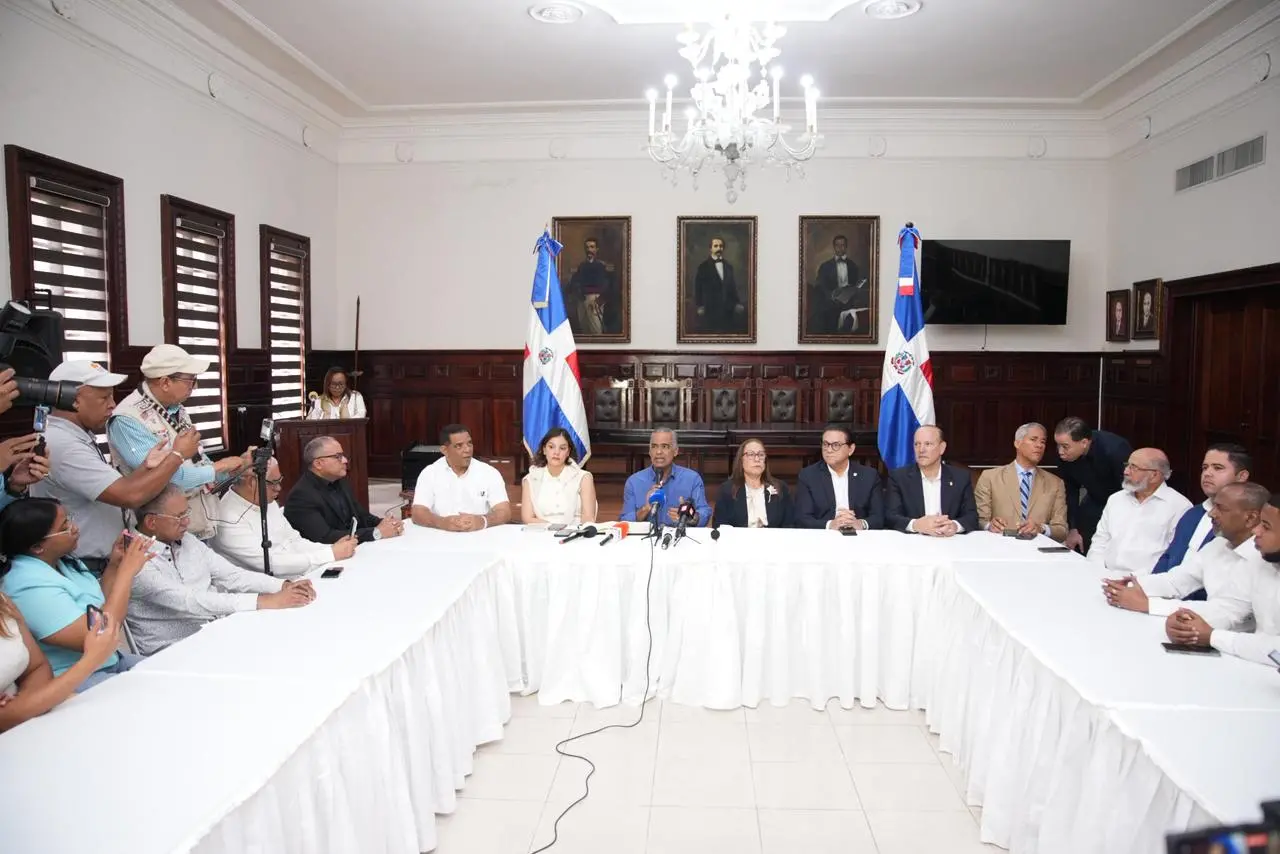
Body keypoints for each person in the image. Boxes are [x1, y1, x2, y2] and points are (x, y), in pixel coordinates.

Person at [32, 359, 201, 574]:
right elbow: (130, 496)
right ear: (74, 400)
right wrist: (177, 456)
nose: (112, 404)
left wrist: (146, 467)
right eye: (104, 398)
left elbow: (116, 487)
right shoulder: (64, 444)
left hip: (100, 562)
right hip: (85, 565)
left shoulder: (76, 436)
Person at [127, 486, 314, 654]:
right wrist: (264, 601)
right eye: (179, 517)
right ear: (151, 522)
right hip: (173, 651)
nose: (187, 521)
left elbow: (232, 575)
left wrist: (283, 586)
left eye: (187, 513)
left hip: (216, 633)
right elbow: (189, 601)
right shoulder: (134, 559)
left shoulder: (187, 540)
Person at [107, 344, 256, 540]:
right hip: (159, 529)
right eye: (191, 380)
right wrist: (218, 467)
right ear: (165, 382)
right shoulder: (128, 419)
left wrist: (233, 469)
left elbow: (196, 461)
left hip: (194, 518)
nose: (194, 387)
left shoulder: (176, 409)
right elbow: (164, 477)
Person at [0, 498, 151, 690]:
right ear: (37, 547)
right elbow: (100, 633)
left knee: (172, 674)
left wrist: (115, 566)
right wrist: (126, 573)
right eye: (65, 527)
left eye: (70, 519)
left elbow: (100, 608)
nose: (75, 528)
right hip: (72, 678)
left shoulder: (62, 561)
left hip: (109, 661)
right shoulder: (24, 585)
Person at [1103, 483, 1267, 627]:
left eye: (1221, 508)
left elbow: (1228, 615)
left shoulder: (1262, 558)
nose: (1211, 514)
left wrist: (1148, 604)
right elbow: (1178, 580)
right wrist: (1133, 586)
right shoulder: (1218, 544)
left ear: (1250, 518)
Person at [1163, 491, 1280, 665]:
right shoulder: (1262, 562)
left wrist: (1212, 636)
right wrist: (1186, 622)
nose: (1256, 531)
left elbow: (1276, 650)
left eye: (1266, 527)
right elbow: (1231, 609)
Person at [212, 458, 357, 576]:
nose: (279, 488)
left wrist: (331, 548)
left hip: (298, 574)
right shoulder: (227, 519)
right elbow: (269, 563)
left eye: (279, 480)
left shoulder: (265, 500)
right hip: (264, 590)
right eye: (273, 483)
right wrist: (329, 554)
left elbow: (293, 540)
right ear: (251, 483)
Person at [0, 594, 122, 732]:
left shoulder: (4, 604)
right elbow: (5, 718)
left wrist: (27, 702)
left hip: (35, 713)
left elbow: (37, 667)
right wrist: (90, 661)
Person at [1087, 448, 1192, 575]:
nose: (1126, 471)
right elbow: (1100, 540)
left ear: (1154, 475)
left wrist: (1136, 580)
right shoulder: (1116, 499)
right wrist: (1096, 571)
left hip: (1145, 582)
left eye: (1134, 467)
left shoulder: (1179, 506)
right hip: (1103, 575)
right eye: (1127, 465)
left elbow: (1174, 556)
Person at [1152, 444, 1252, 576]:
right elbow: (1168, 557)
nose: (1207, 473)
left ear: (1241, 476)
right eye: (1205, 467)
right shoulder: (1193, 513)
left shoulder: (1246, 520)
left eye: (1218, 468)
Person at [284, 436, 403, 544]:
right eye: (338, 457)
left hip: (352, 548)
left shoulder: (339, 481)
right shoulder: (301, 496)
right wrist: (376, 532)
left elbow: (362, 516)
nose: (345, 460)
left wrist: (385, 523)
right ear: (318, 464)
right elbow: (325, 537)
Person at [974, 422, 1068, 541]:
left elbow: (1062, 530)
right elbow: (978, 520)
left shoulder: (1055, 483)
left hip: (1037, 548)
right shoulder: (990, 477)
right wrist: (989, 526)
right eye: (1033, 439)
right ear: (1017, 443)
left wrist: (1041, 528)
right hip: (1000, 546)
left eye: (1043, 442)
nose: (1039, 445)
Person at [413, 425, 513, 532]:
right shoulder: (430, 473)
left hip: (479, 535)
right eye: (459, 446)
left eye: (469, 443)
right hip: (441, 534)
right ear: (444, 450)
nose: (467, 450)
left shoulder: (489, 473)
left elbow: (504, 512)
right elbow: (418, 512)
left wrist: (483, 521)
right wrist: (442, 522)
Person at [1053, 417, 1132, 553]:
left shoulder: (1114, 449)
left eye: (1065, 446)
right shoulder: (1065, 455)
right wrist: (1073, 529)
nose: (1060, 451)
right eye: (1058, 445)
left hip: (1124, 499)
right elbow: (1070, 491)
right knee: (1082, 542)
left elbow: (1130, 489)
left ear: (1084, 443)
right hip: (1095, 499)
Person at [886, 425, 978, 536]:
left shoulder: (960, 477)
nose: (921, 450)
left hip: (949, 541)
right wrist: (916, 525)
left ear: (942, 448)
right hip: (913, 541)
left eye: (928, 444)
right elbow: (891, 516)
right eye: (917, 444)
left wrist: (954, 526)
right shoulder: (899, 477)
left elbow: (972, 517)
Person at [793, 424, 883, 530]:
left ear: (851, 449)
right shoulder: (808, 475)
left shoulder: (869, 476)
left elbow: (879, 517)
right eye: (825, 444)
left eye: (836, 445)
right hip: (824, 534)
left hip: (860, 535)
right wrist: (830, 525)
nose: (829, 450)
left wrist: (860, 524)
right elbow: (802, 519)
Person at [620, 428, 711, 526]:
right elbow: (625, 521)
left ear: (675, 451)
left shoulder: (692, 479)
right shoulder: (634, 482)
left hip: (679, 535)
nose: (658, 452)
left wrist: (688, 517)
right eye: (654, 446)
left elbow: (704, 513)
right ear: (649, 452)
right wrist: (645, 508)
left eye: (665, 446)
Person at [520, 427, 596, 526]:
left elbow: (588, 518)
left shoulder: (584, 478)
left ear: (568, 452)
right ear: (544, 450)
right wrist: (553, 528)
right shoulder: (530, 479)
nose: (556, 452)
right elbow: (527, 518)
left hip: (575, 532)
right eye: (551, 447)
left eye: (562, 448)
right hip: (543, 532)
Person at [714, 438, 794, 528]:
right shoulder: (727, 490)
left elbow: (790, 525)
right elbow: (719, 525)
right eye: (751, 454)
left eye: (761, 454)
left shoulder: (781, 488)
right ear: (741, 460)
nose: (757, 459)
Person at [811, 235, 868, 335]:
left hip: (850, 303)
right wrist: (831, 295)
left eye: (843, 245)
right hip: (831, 304)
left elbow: (856, 285)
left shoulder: (853, 266)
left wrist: (853, 293)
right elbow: (820, 285)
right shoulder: (825, 266)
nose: (840, 248)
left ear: (846, 247)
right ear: (834, 247)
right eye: (837, 245)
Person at [692, 237, 746, 335]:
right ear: (710, 248)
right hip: (710, 309)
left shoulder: (728, 267)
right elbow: (698, 287)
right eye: (716, 246)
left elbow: (732, 288)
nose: (719, 248)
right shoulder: (703, 267)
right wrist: (700, 305)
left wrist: (736, 303)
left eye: (721, 246)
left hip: (727, 309)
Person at [566, 238, 616, 336]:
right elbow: (574, 283)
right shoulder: (581, 266)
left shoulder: (602, 266)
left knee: (596, 330)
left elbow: (609, 285)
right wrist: (578, 295)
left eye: (592, 247)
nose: (589, 250)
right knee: (584, 330)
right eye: (587, 247)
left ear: (597, 249)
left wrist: (600, 300)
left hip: (596, 301)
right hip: (582, 301)